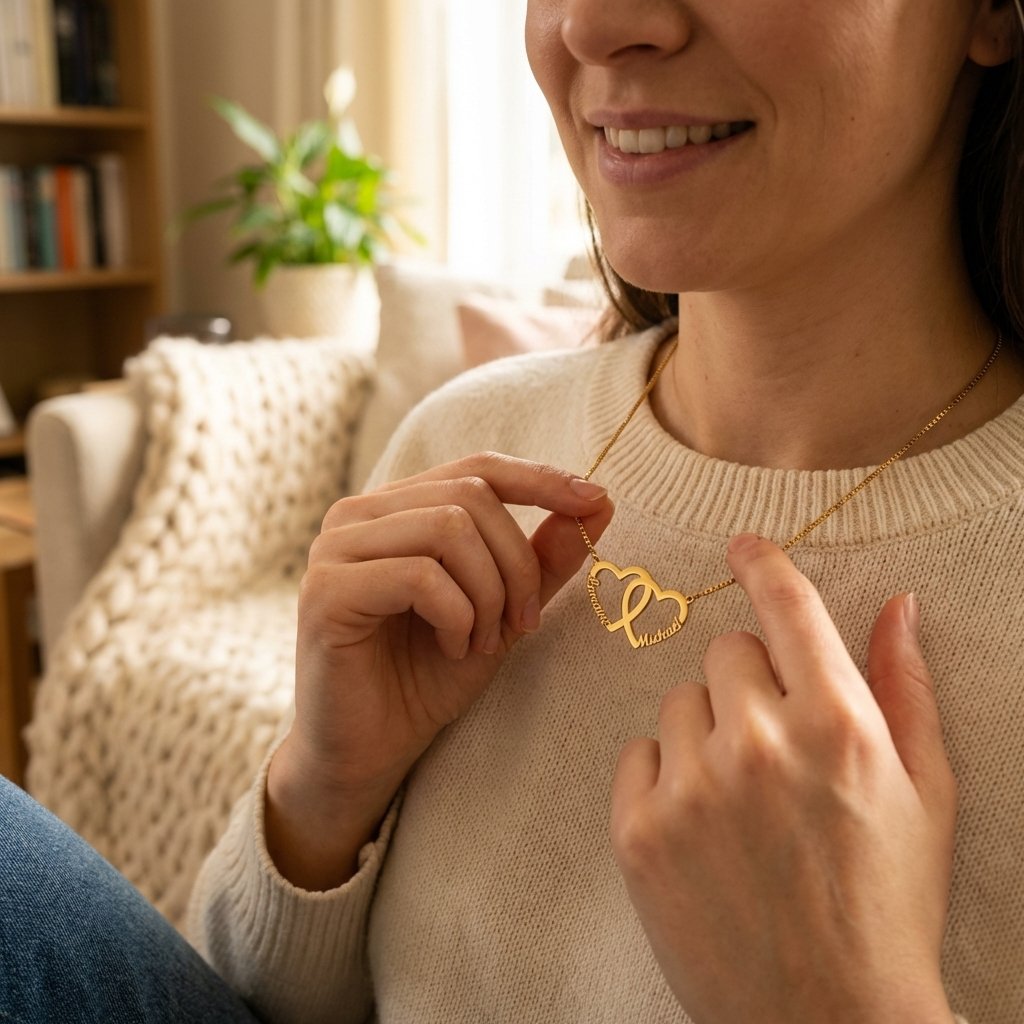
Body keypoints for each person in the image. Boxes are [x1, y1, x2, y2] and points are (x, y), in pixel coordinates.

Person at [3, 1, 1024, 1022]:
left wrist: (854, 999)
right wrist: (322, 791)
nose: (594, 23)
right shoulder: (464, 437)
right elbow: (249, 1000)